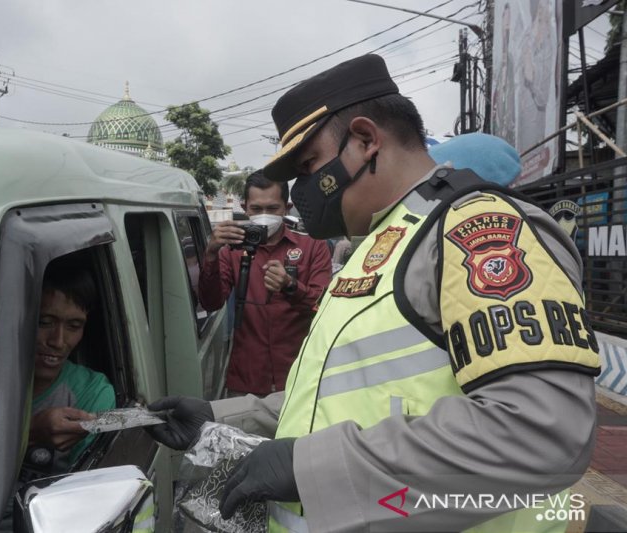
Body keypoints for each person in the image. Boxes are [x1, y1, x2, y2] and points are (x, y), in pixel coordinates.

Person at [148, 54, 600, 532]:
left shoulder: (478, 231)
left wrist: (312, 469)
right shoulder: (383, 244)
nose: (301, 190)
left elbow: (540, 435)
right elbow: (341, 393)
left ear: (364, 141)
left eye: (308, 166)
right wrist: (224, 418)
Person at [198, 170, 332, 397]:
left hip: (299, 376)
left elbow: (324, 307)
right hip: (246, 378)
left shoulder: (313, 247)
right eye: (256, 209)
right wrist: (210, 255)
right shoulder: (232, 249)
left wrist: (291, 286)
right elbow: (211, 302)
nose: (264, 216)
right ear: (244, 208)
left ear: (286, 208)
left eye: (272, 209)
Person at [27, 260, 116, 475]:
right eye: (44, 322)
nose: (58, 341)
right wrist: (29, 431)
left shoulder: (92, 393)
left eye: (74, 326)